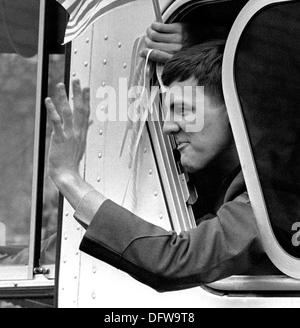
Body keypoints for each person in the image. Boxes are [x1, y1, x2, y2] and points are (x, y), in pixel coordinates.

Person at [44, 23, 278, 292]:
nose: (168, 126)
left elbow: (176, 259)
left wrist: (68, 178)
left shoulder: (273, 192)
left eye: (182, 109)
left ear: (237, 106)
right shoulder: (234, 185)